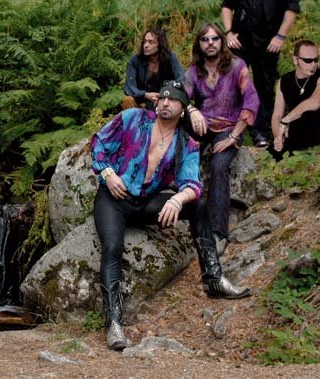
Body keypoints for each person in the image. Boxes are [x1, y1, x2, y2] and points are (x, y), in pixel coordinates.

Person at [91, 81, 250, 351]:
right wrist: (108, 174)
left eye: (173, 99)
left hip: (145, 203)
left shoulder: (186, 144)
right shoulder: (134, 118)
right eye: (163, 98)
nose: (165, 102)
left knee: (196, 206)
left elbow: (193, 185)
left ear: (183, 109)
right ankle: (114, 323)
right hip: (113, 199)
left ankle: (213, 278)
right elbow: (99, 142)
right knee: (112, 246)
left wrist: (177, 199)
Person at [183, 23, 259, 255]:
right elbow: (179, 97)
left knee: (218, 166)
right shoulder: (193, 71)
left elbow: (251, 101)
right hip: (203, 125)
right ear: (199, 44)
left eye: (215, 38)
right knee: (177, 129)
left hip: (229, 127)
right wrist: (191, 109)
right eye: (205, 39)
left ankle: (218, 233)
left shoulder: (237, 66)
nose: (210, 43)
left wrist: (234, 136)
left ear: (221, 42)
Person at [221, 0, 300, 147]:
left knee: (264, 87)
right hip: (241, 41)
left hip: (269, 42)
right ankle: (228, 128)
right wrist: (228, 33)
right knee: (234, 81)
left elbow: (292, 8)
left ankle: (260, 132)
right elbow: (227, 5)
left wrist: (280, 36)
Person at [271, 40, 320, 160]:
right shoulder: (284, 81)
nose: (313, 64)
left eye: (316, 60)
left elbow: (315, 102)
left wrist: (286, 120)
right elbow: (277, 114)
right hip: (293, 139)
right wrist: (278, 137)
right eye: (308, 60)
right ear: (296, 60)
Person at [122, 29, 184, 110]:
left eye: (151, 42)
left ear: (160, 44)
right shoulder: (136, 60)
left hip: (163, 100)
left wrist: (164, 95)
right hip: (141, 101)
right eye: (144, 42)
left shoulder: (170, 58)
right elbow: (129, 88)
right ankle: (134, 118)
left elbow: (181, 79)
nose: (146, 45)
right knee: (128, 100)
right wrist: (146, 95)